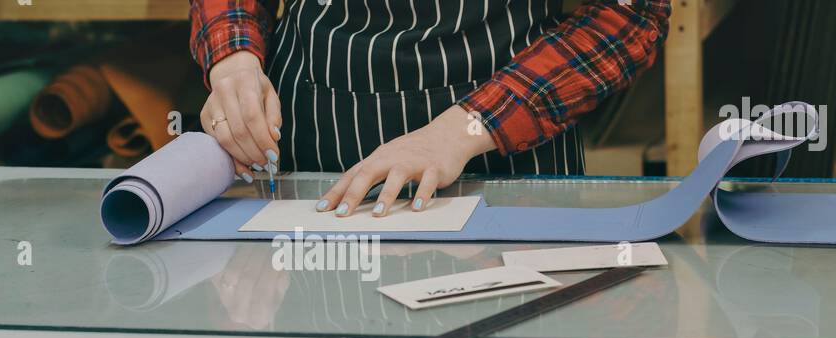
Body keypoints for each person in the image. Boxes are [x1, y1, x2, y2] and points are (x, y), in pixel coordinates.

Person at [190, 0, 671, 217]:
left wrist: (466, 128)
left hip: (507, 143)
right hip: (318, 121)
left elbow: (629, 14)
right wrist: (232, 58)